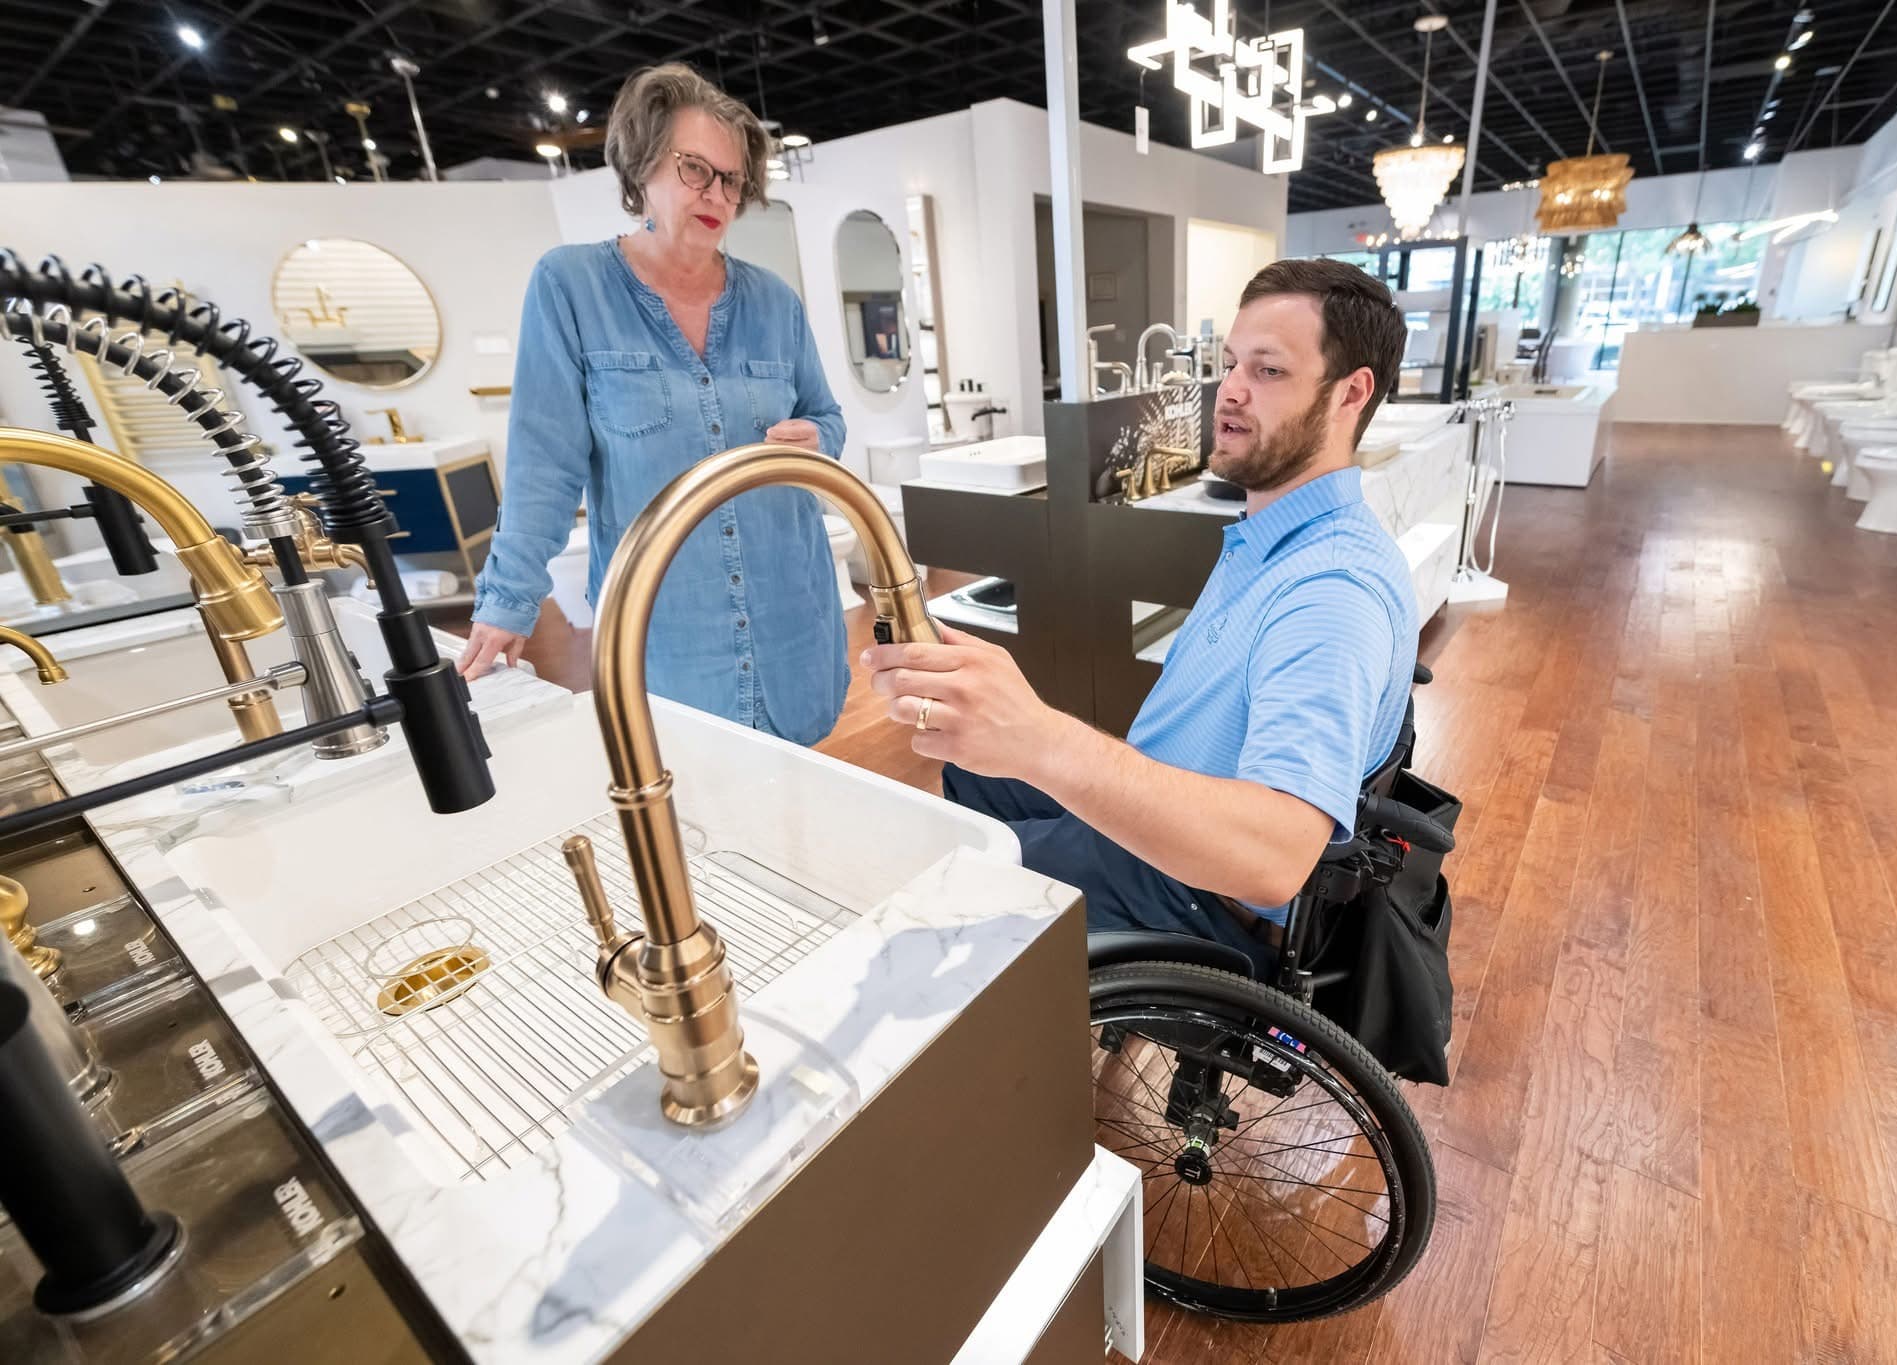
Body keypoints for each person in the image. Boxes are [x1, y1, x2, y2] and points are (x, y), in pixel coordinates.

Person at [864, 259, 1418, 968]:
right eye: (1231, 363)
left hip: (1195, 892)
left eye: (1269, 371)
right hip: (1165, 816)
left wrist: (1038, 735)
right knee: (968, 771)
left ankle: (998, 988)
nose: (1231, 392)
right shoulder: (1278, 531)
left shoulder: (1332, 593)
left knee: (943, 876)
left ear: (1351, 393)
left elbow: (1275, 857)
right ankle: (1017, 976)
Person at [460, 63, 851, 744]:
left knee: (801, 814)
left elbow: (829, 417)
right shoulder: (571, 286)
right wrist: (508, 602)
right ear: (641, 164)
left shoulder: (774, 303)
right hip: (669, 630)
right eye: (696, 168)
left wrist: (817, 437)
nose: (718, 194)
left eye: (732, 179)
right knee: (692, 810)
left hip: (794, 618)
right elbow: (542, 465)